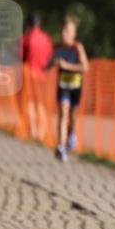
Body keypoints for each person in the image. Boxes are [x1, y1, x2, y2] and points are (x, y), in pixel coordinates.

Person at [49, 16, 89, 162]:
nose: (64, 34)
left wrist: (66, 66)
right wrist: (51, 64)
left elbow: (85, 67)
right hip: (62, 86)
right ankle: (60, 145)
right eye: (62, 31)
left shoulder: (77, 48)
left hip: (75, 87)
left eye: (67, 31)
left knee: (72, 117)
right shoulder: (57, 47)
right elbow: (49, 63)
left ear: (74, 34)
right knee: (62, 114)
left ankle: (72, 134)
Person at [19, 14, 53, 140]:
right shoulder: (46, 38)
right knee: (41, 103)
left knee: (30, 103)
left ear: (28, 24)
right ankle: (42, 132)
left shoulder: (26, 38)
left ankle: (33, 130)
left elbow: (20, 56)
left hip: (28, 74)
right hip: (42, 76)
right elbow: (49, 57)